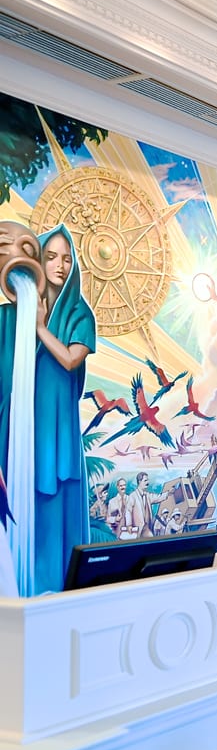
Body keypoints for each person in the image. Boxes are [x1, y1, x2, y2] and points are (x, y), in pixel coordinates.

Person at [0, 224, 96, 593]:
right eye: (51, 256)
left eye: (67, 259)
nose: (59, 265)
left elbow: (71, 360)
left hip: (57, 429)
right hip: (20, 428)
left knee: (56, 505)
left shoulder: (79, 314)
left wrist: (39, 327)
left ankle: (55, 592)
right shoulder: (10, 316)